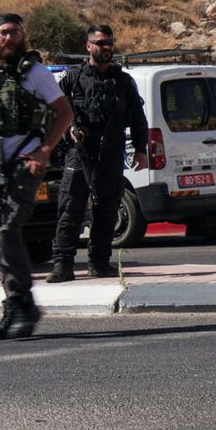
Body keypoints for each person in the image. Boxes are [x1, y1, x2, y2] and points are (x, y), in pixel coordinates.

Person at [0, 14, 73, 340]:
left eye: (15, 32)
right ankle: (14, 309)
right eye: (4, 32)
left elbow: (65, 113)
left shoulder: (34, 73)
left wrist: (44, 151)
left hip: (25, 163)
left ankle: (25, 306)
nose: (10, 37)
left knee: (6, 231)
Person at [46, 25, 149, 282]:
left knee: (107, 210)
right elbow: (55, 111)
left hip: (111, 153)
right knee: (70, 209)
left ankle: (100, 263)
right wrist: (70, 128)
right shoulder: (73, 78)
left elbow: (138, 117)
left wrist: (140, 149)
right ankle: (62, 265)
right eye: (100, 43)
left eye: (109, 43)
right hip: (80, 153)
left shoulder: (123, 81)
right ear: (88, 46)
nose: (106, 48)